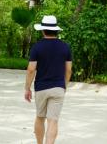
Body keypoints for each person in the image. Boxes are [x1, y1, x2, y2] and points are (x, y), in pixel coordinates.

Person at [25, 15, 72, 144]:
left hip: (41, 88)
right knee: (53, 120)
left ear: (42, 30)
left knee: (40, 118)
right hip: (58, 87)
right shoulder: (65, 47)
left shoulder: (37, 47)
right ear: (56, 30)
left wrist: (27, 88)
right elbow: (68, 70)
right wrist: (64, 85)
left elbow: (31, 69)